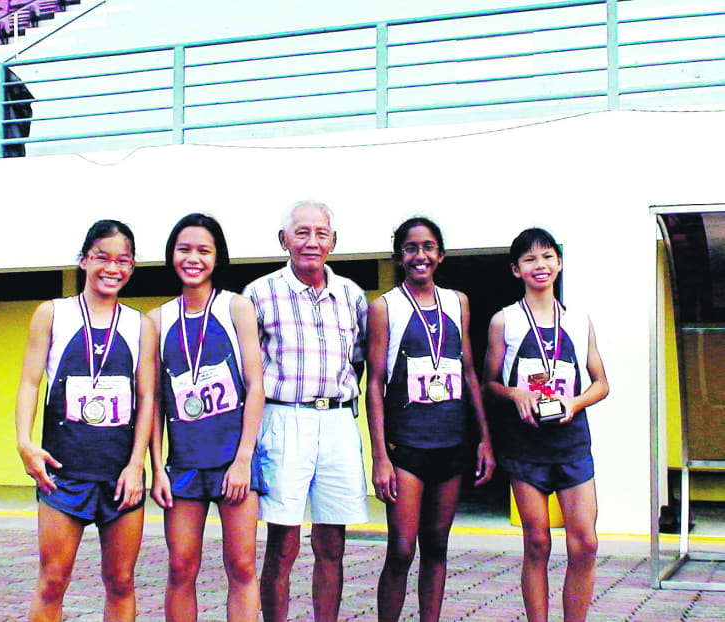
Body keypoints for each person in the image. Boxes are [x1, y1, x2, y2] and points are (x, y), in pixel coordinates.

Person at [15, 219, 156, 622]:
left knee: (121, 580)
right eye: (102, 257)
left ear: (131, 268)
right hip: (63, 471)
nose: (112, 268)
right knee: (53, 579)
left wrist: (136, 465)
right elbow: (29, 382)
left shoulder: (140, 324)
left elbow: (146, 399)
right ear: (83, 260)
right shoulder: (52, 314)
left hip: (119, 475)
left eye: (123, 260)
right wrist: (25, 443)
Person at [243, 199, 369, 622]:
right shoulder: (259, 294)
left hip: (337, 421)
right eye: (302, 233)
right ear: (284, 240)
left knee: (332, 543)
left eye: (321, 233)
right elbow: (250, 370)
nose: (312, 242)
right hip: (284, 419)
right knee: (284, 543)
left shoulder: (352, 295)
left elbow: (358, 358)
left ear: (334, 240)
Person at [366, 216, 495, 622]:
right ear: (400, 256)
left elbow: (470, 371)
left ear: (440, 254)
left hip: (452, 441)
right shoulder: (386, 307)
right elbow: (374, 384)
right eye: (410, 248)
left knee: (437, 545)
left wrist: (484, 439)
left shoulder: (458, 302)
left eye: (427, 247)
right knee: (402, 549)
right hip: (407, 447)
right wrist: (380, 456)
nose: (420, 255)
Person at [483, 227, 609, 622]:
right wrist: (515, 394)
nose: (541, 265)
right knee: (536, 542)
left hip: (571, 442)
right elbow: (488, 383)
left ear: (560, 262)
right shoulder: (505, 321)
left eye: (548, 256)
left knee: (585, 542)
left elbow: (601, 383)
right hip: (525, 446)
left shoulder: (579, 320)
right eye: (530, 259)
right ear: (516, 269)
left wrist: (574, 402)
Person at [149, 213, 265, 622]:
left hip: (234, 462)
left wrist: (244, 459)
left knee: (242, 566)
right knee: (181, 568)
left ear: (217, 257)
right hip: (183, 466)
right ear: (171, 256)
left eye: (203, 250)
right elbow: (156, 403)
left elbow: (255, 386)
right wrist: (157, 467)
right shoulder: (157, 320)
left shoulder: (236, 307)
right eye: (184, 249)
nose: (193, 258)